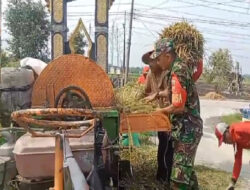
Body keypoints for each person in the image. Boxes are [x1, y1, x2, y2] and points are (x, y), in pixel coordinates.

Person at [149, 38, 203, 189]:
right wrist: (158, 94)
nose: (158, 63)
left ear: (167, 56)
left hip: (188, 130)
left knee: (178, 180)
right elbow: (173, 91)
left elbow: (178, 107)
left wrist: (158, 111)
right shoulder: (177, 68)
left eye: (159, 59)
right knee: (187, 175)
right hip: (185, 129)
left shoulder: (178, 71)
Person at [142, 50, 174, 183]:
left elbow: (171, 92)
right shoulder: (150, 74)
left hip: (170, 115)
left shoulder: (168, 74)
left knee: (169, 148)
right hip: (160, 116)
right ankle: (160, 175)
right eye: (148, 62)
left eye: (152, 61)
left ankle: (168, 177)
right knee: (162, 145)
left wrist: (156, 95)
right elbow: (145, 92)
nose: (150, 64)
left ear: (158, 61)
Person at [215, 122, 250, 190]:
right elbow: (238, 162)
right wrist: (232, 183)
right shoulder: (236, 141)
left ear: (227, 131)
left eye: (224, 139)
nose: (225, 142)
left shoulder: (240, 129)